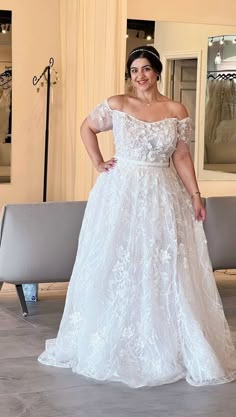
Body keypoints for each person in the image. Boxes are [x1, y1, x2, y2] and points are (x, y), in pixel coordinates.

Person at [38, 46, 236, 388]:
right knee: (118, 260)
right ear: (129, 76)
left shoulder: (176, 109)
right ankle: (112, 336)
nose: (140, 76)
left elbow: (183, 156)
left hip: (163, 193)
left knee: (163, 262)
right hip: (121, 194)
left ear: (157, 71)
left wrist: (195, 195)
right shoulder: (117, 104)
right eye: (134, 71)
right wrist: (98, 163)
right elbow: (86, 127)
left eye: (145, 69)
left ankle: (165, 338)